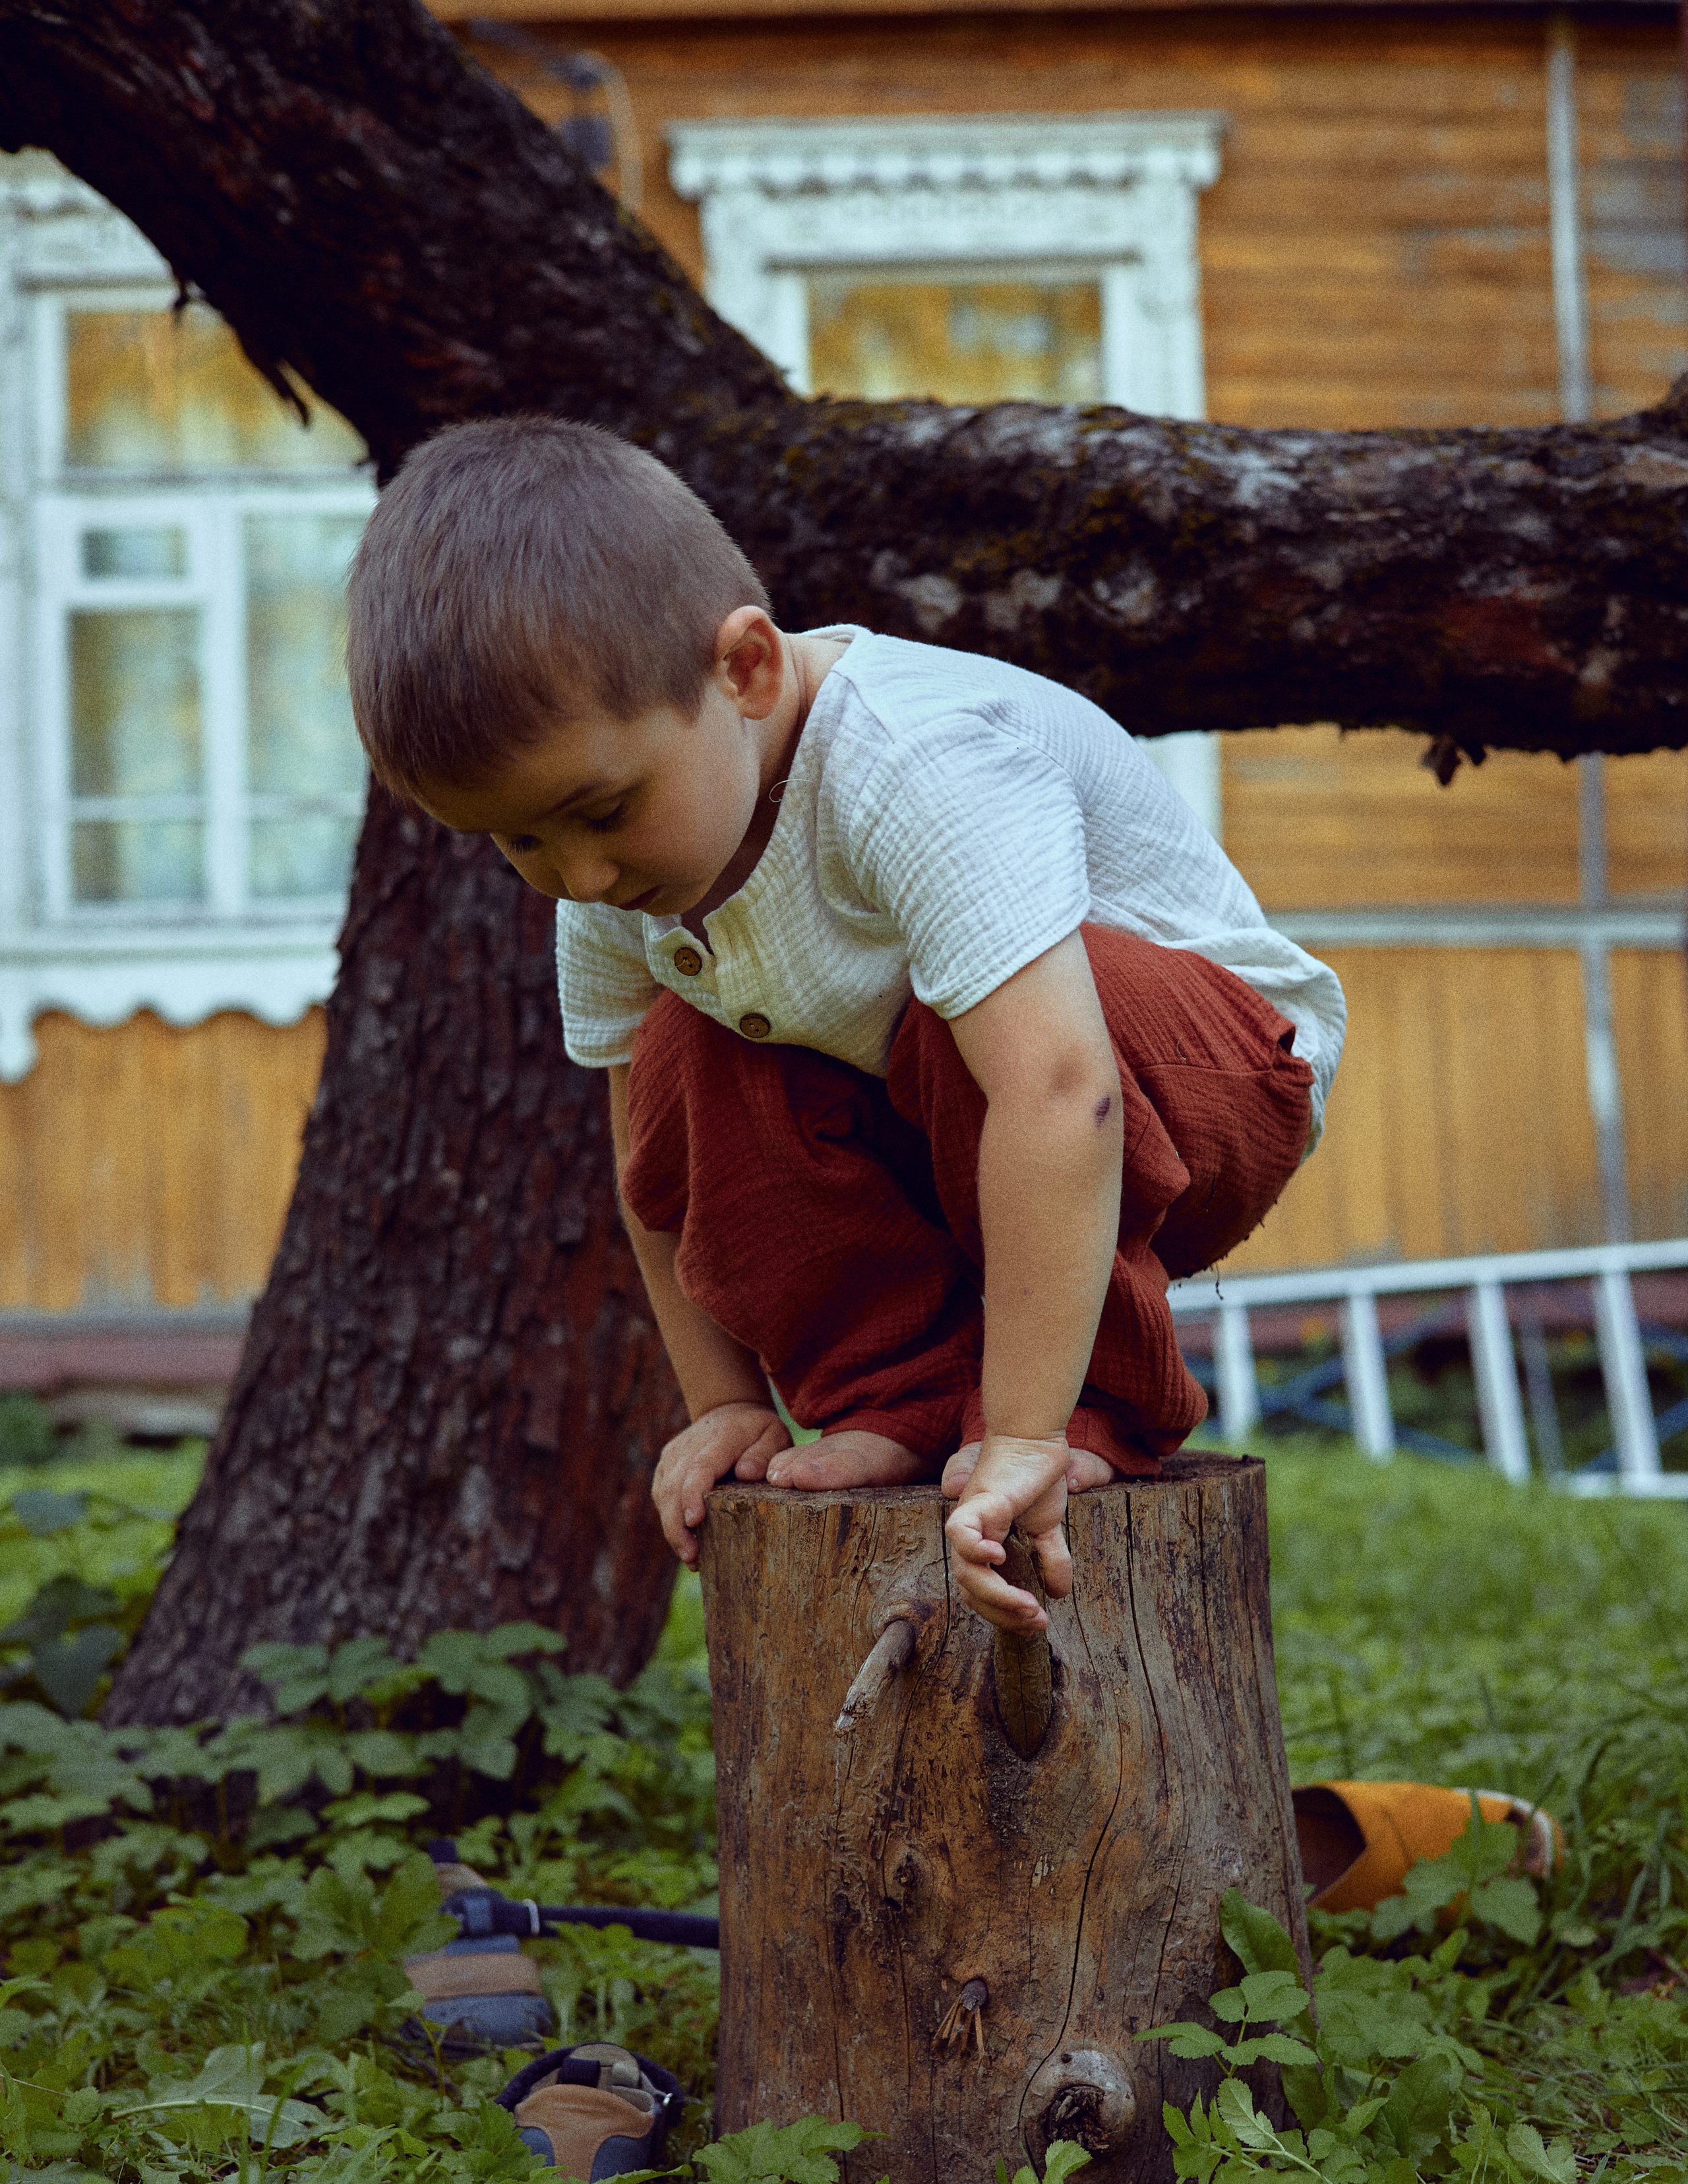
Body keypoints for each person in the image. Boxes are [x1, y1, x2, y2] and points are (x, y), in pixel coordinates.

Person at [346, 417, 1345, 1639]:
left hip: (1202, 1083)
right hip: (962, 1116)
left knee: (955, 1013)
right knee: (687, 1048)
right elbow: (653, 1168)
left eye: (600, 811)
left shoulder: (911, 762)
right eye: (519, 843)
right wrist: (722, 1401)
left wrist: (1028, 1431)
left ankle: (1092, 1402)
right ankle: (900, 1394)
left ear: (747, 671)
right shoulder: (621, 876)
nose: (579, 876)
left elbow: (1059, 1090)